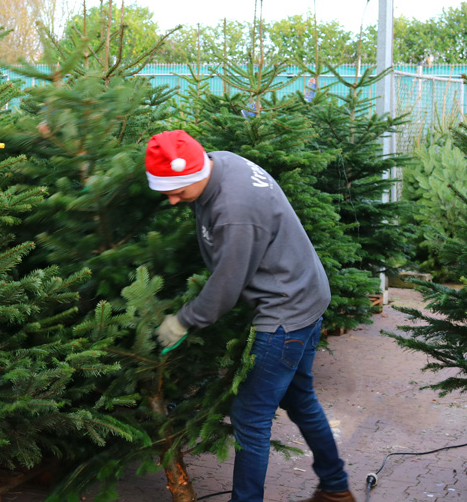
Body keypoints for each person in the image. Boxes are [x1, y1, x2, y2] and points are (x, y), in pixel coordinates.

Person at [146, 130, 355, 502]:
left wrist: (183, 320)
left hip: (285, 310)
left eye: (178, 191)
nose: (173, 201)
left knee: (250, 416)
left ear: (197, 173)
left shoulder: (235, 212)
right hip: (305, 292)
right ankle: (336, 487)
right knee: (300, 398)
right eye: (166, 192)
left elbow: (227, 285)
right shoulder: (220, 161)